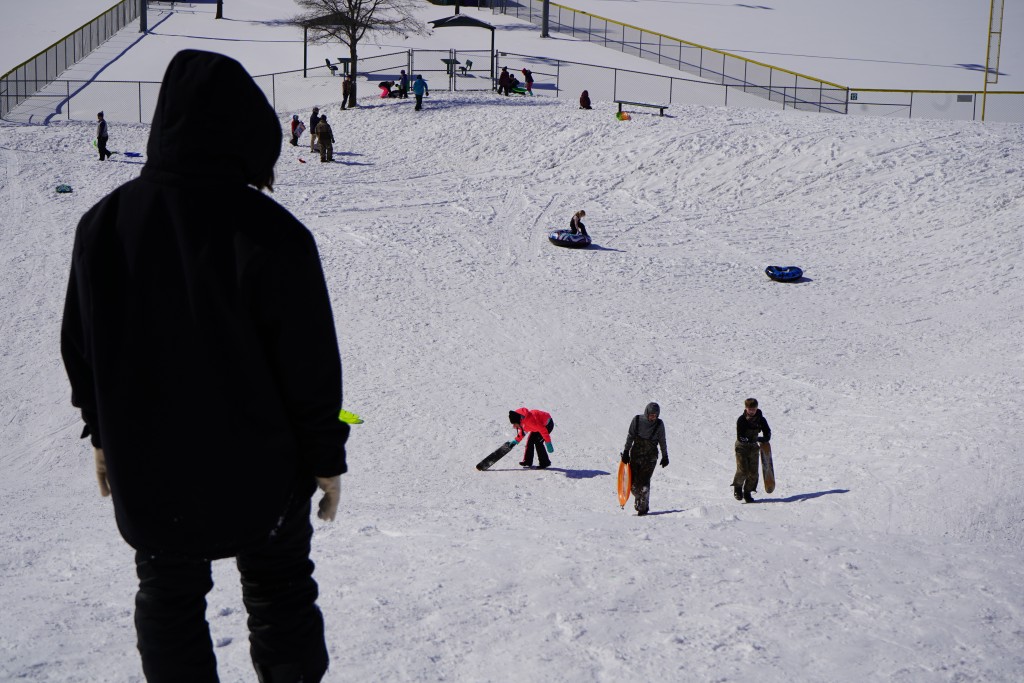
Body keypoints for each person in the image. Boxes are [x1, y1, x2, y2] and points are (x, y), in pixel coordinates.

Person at [60, 49, 349, 683]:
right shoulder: (274, 234)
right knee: (279, 595)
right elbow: (309, 368)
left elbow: (81, 350)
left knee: (169, 601)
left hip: (150, 469)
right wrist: (325, 459)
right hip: (263, 473)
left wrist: (103, 436)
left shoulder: (103, 226)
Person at [620, 402, 669, 516]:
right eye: (651, 415)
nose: (653, 417)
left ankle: (643, 508)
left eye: (655, 415)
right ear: (646, 413)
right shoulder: (637, 420)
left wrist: (665, 456)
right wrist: (626, 452)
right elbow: (630, 436)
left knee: (644, 484)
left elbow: (662, 441)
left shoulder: (659, 424)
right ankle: (640, 500)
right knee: (633, 485)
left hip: (650, 457)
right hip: (636, 455)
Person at [733, 398, 771, 503]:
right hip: (741, 447)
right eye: (750, 409)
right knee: (743, 470)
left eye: (754, 409)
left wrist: (763, 439)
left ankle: (747, 493)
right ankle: (737, 488)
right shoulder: (741, 419)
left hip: (753, 447)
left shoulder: (761, 419)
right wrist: (750, 439)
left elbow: (767, 432)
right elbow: (740, 436)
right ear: (746, 408)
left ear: (757, 408)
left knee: (753, 473)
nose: (752, 411)